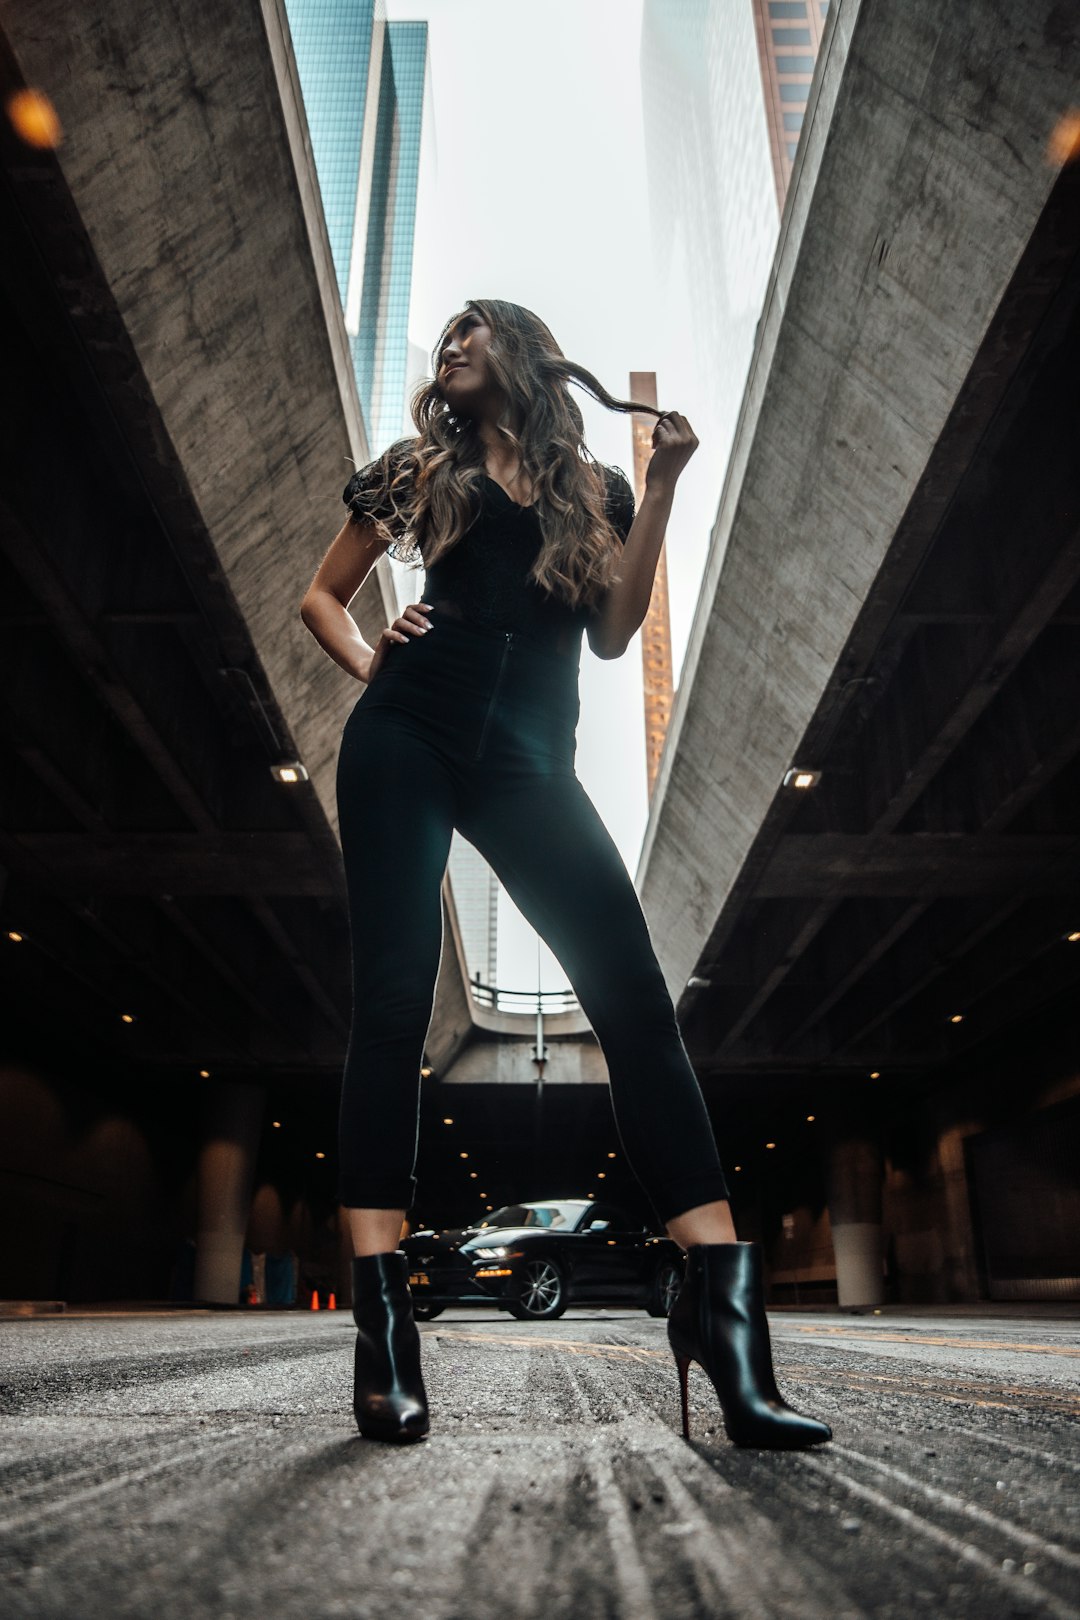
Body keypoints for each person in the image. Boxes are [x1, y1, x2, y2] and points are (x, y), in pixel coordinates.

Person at [299, 299, 830, 1452]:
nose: (448, 349)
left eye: (469, 332)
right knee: (391, 1011)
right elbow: (320, 597)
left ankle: (725, 1324)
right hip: (407, 739)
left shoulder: (597, 490)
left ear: (523, 354)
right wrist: (368, 654)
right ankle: (384, 1333)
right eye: (443, 339)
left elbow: (612, 632)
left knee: (637, 1008)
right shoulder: (416, 470)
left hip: (531, 761)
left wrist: (670, 478)